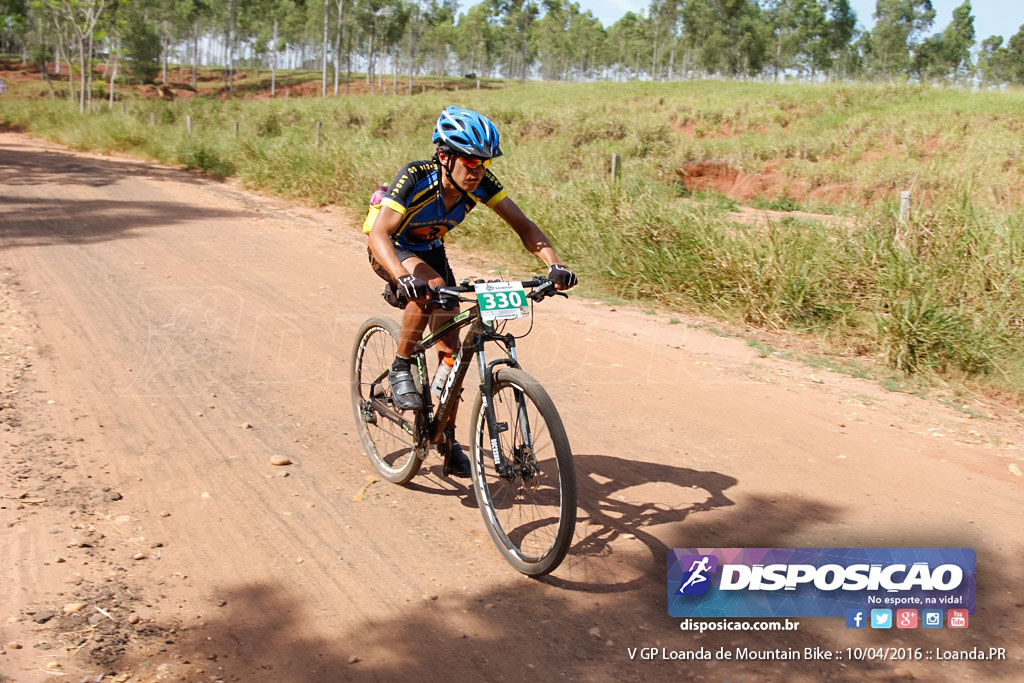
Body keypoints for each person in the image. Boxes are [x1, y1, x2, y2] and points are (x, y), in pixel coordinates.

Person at [366, 105, 578, 477]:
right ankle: (401, 364)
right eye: (470, 161)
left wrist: (553, 265)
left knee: (453, 356)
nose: (477, 170)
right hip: (391, 249)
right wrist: (400, 276)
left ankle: (444, 439)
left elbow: (523, 225)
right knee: (429, 287)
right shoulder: (416, 176)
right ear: (445, 157)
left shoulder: (481, 183)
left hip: (430, 251)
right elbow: (378, 233)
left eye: (484, 163)